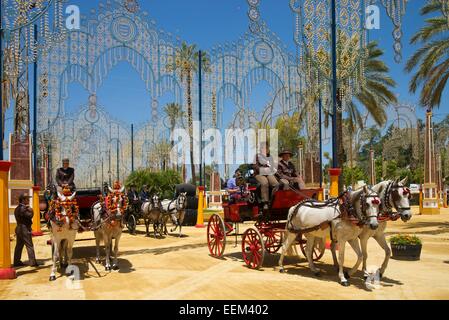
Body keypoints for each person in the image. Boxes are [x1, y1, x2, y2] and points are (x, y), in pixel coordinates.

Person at [13, 194, 40, 267]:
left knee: (19, 246)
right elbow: (29, 215)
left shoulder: (17, 208)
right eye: (27, 199)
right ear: (23, 200)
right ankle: (32, 262)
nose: (28, 200)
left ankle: (16, 261)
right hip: (24, 229)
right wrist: (31, 209)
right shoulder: (23, 208)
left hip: (19, 228)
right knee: (29, 245)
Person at [254, 142, 279, 211]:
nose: (265, 149)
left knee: (276, 184)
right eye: (263, 148)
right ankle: (265, 202)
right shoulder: (256, 156)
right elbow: (255, 166)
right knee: (264, 183)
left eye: (266, 148)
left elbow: (273, 166)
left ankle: (272, 200)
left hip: (269, 173)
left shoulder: (270, 157)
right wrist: (264, 170)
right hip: (259, 174)